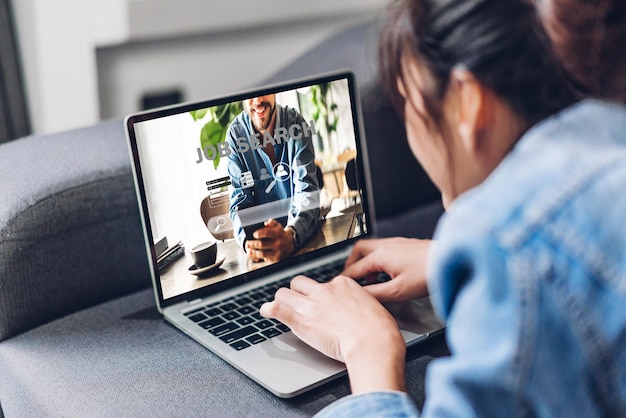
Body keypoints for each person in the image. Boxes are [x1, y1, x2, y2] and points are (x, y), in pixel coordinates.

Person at [260, 0, 626, 416]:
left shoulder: (509, 248)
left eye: (407, 103)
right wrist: (443, 256)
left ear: (469, 104)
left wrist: (369, 348)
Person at [226, 94, 320, 264]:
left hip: (304, 246)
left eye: (264, 90)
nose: (258, 101)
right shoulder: (235, 135)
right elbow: (239, 201)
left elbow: (306, 191)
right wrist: (249, 244)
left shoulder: (296, 124)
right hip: (263, 259)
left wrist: (291, 236)